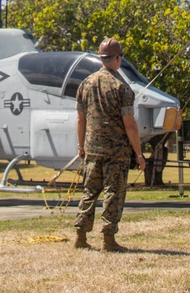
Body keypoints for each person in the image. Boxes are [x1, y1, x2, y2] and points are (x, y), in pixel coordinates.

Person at [73, 37, 147, 252]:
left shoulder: (85, 84)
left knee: (89, 191)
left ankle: (80, 236)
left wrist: (81, 147)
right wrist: (139, 154)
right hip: (117, 152)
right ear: (118, 58)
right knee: (113, 192)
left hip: (92, 149)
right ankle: (108, 239)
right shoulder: (122, 88)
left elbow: (80, 120)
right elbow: (130, 125)